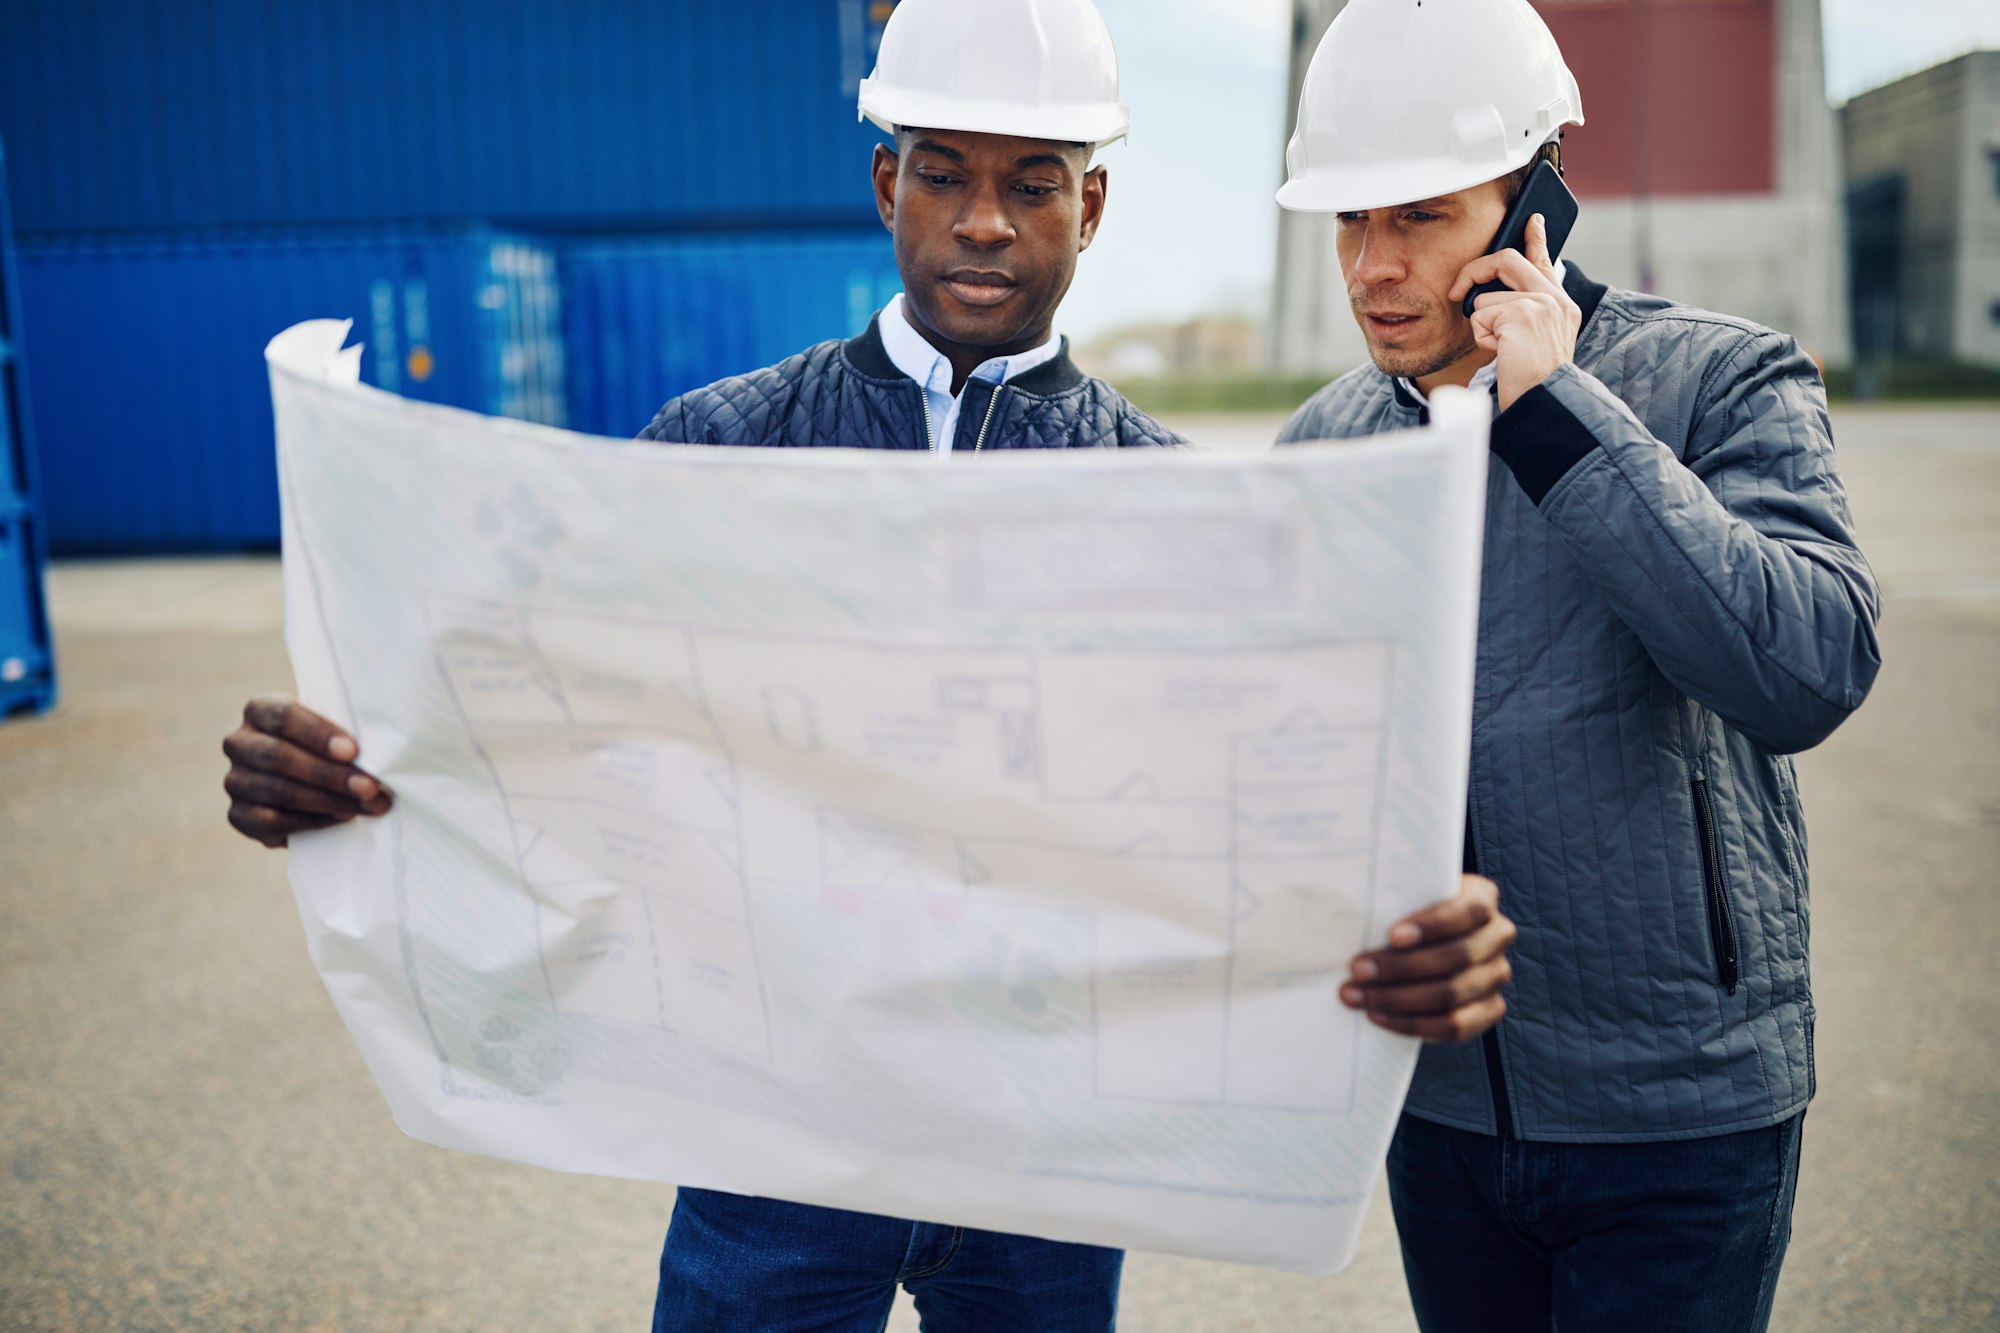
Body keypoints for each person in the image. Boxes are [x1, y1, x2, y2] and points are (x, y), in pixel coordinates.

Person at [222, 1, 1517, 1327]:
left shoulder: (1171, 509)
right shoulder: (716, 450)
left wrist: (1409, 913)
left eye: (1034, 183)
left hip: (1047, 1167)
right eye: (945, 171)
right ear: (888, 181)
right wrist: (351, 773)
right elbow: (535, 724)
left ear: (1097, 205)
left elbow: (1254, 821)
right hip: (771, 1153)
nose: (985, 219)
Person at [1273, 2, 1882, 1330]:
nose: (1372, 269)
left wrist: (1561, 419)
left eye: (1417, 217)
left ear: (1534, 203)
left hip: (1679, 1111)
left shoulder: (1721, 381)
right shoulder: (1322, 449)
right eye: (1347, 224)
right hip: (1435, 1112)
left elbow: (1810, 668)